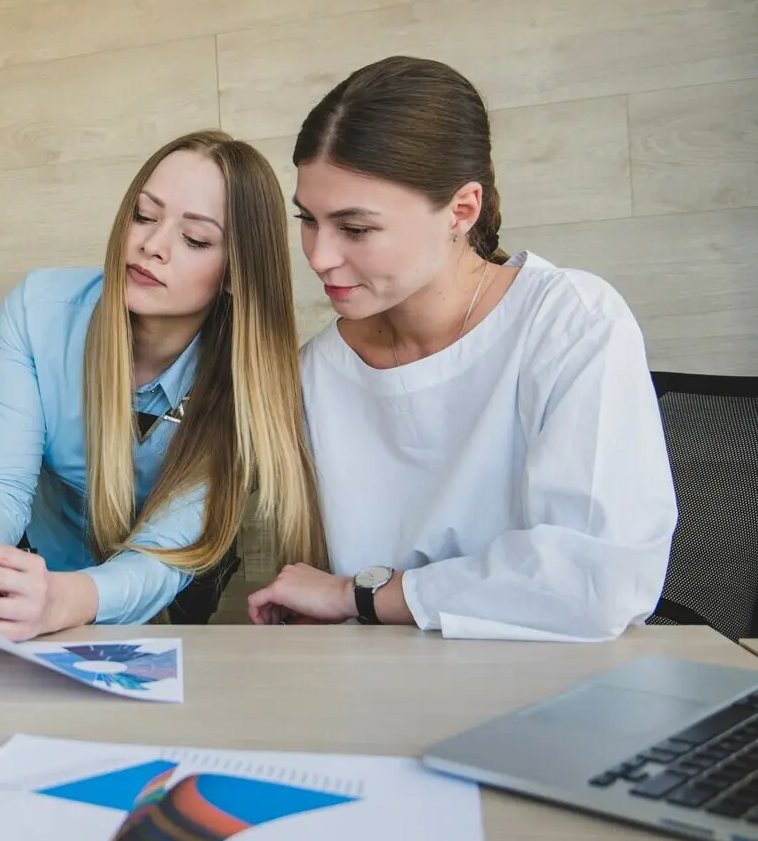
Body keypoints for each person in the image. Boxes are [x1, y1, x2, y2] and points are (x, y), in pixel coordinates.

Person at [247, 56, 676, 640]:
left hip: (551, 693)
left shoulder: (570, 321)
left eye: (355, 228)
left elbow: (593, 584)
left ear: (461, 210)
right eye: (308, 220)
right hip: (374, 693)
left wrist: (358, 595)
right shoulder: (318, 372)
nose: (319, 256)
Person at [0, 130, 329, 641]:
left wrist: (70, 599)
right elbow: (1, 485)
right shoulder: (37, 311)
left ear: (237, 272)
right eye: (143, 215)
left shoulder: (249, 379)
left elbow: (168, 551)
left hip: (167, 582)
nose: (150, 246)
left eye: (194, 240)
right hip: (45, 567)